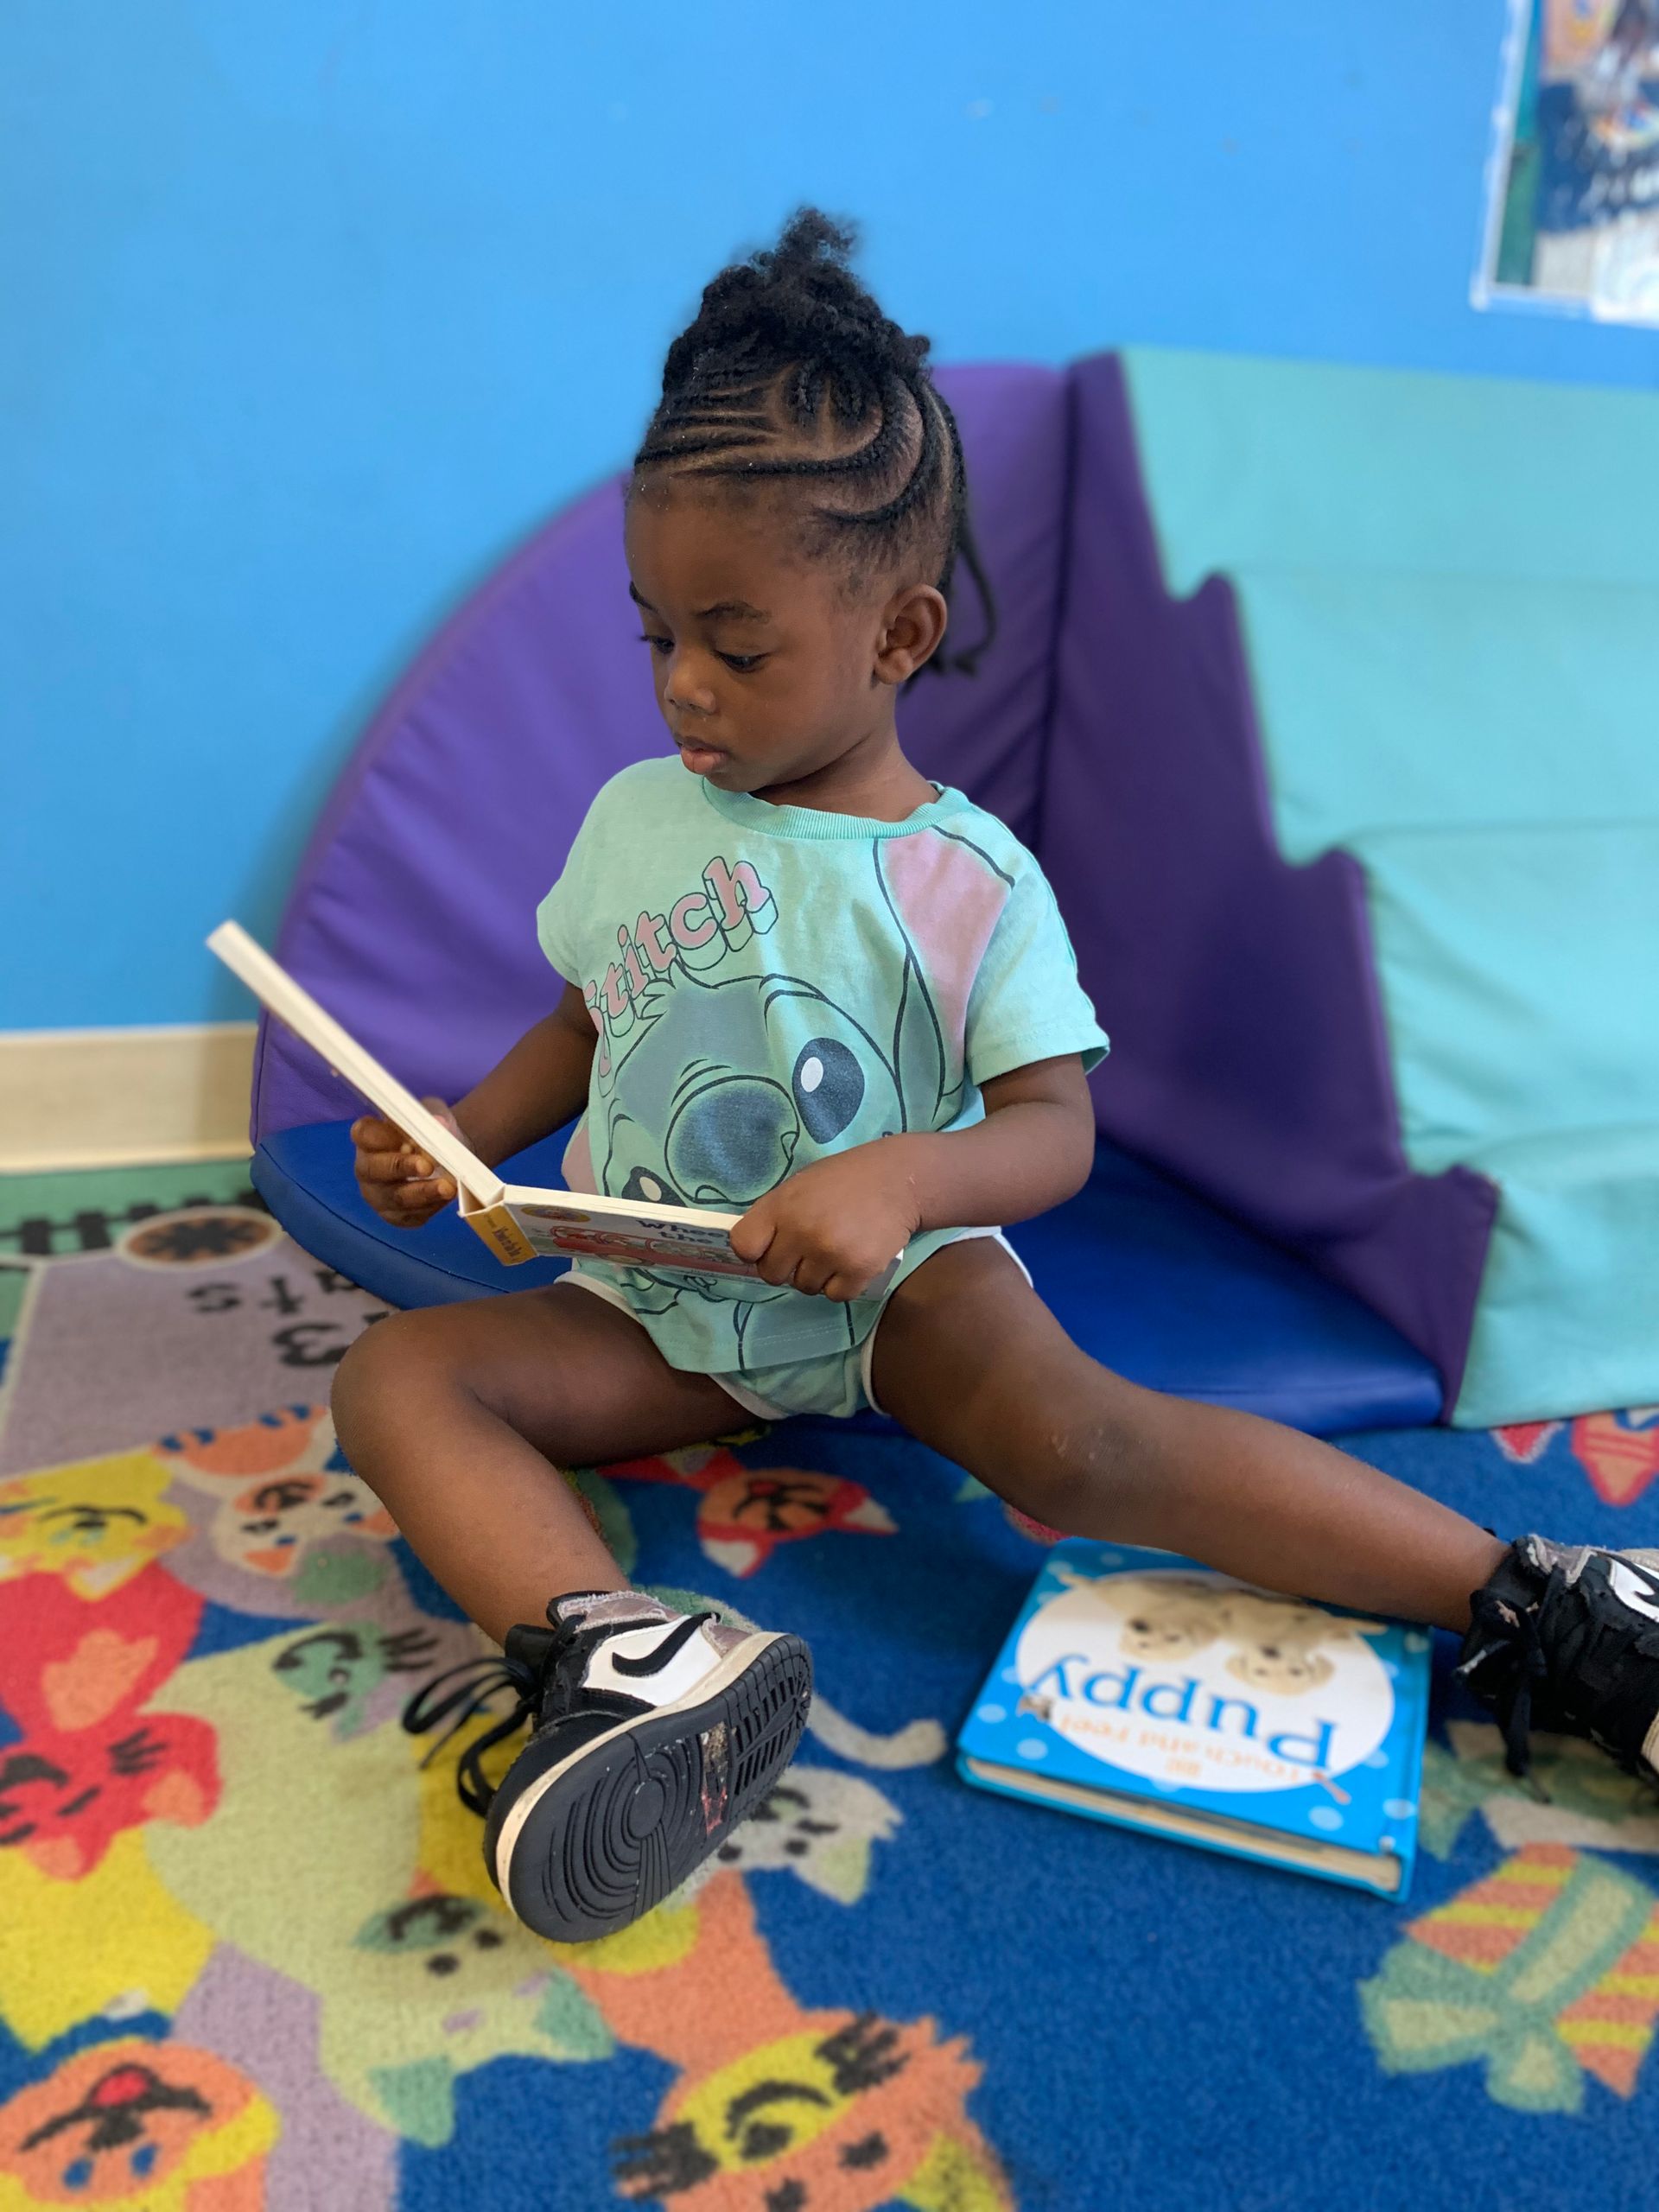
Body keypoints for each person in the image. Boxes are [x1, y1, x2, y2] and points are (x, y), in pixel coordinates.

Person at [332, 210, 1659, 1945]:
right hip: (659, 1296)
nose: (684, 688)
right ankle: (629, 1660)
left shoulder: (969, 879)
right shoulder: (637, 819)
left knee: (1081, 1441)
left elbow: (1052, 1132)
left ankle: (1556, 1602)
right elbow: (584, 1021)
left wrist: (897, 1182)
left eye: (738, 645)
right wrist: (463, 1133)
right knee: (400, 1374)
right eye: (656, 636)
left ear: (899, 634)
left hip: (902, 1288)